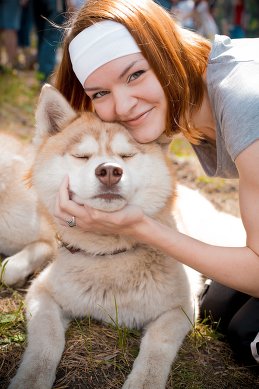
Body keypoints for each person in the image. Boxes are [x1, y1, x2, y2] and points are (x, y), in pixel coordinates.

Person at [54, 0, 259, 365]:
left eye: (135, 74)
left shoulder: (244, 99)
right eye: (100, 93)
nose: (123, 105)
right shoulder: (195, 98)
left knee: (250, 338)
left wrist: (141, 227)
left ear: (164, 50)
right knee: (218, 308)